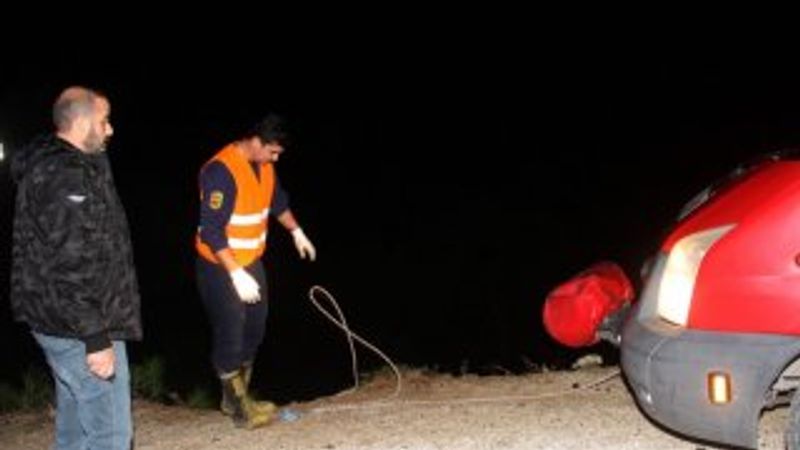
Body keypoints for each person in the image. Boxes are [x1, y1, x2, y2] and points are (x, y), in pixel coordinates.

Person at [10, 86, 142, 449]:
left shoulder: (71, 161)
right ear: (81, 122)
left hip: (57, 319)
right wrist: (96, 338)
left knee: (74, 427)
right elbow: (70, 262)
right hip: (81, 326)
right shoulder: (64, 175)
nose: (111, 129)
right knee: (110, 434)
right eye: (104, 121)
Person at [195, 113, 316, 429]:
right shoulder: (220, 171)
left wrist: (296, 231)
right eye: (272, 151)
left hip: (250, 261)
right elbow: (211, 231)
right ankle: (239, 411)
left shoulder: (265, 168)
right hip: (219, 265)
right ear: (255, 142)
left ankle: (237, 395)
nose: (276, 158)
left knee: (255, 329)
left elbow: (278, 204)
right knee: (231, 331)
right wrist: (234, 273)